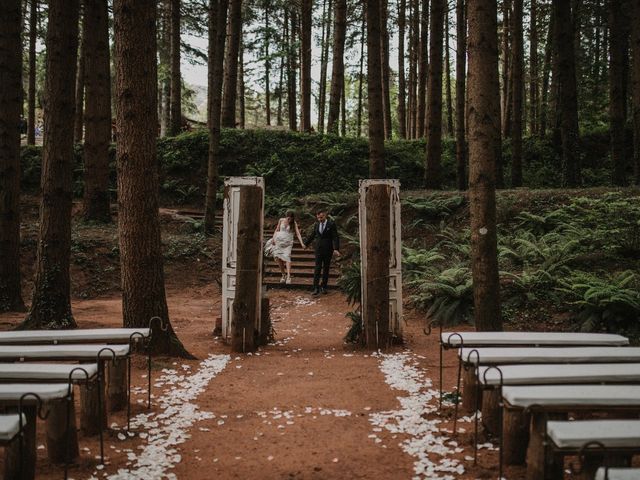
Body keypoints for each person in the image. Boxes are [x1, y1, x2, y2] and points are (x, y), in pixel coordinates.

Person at [304, 209, 340, 295]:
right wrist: (306, 244)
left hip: (328, 249)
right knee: (317, 268)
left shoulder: (331, 224)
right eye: (318, 218)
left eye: (321, 217)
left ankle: (324, 286)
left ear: (325, 215)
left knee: (326, 268)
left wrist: (336, 248)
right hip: (318, 249)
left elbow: (335, 237)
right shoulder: (316, 224)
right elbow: (313, 235)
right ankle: (315, 287)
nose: (320, 219)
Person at [270, 211, 305, 284]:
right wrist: (273, 238)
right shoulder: (281, 220)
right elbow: (277, 230)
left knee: (287, 257)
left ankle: (289, 276)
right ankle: (283, 275)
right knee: (278, 257)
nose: (289, 220)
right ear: (286, 217)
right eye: (287, 218)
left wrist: (302, 243)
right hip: (279, 241)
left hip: (288, 243)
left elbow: (298, 233)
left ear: (292, 218)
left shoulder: (294, 223)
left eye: (290, 219)